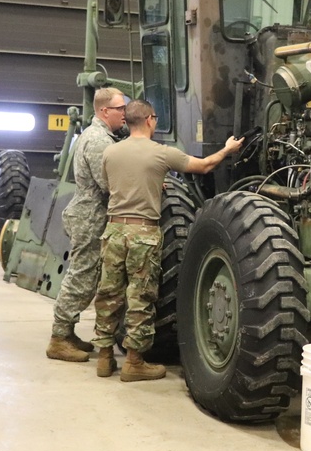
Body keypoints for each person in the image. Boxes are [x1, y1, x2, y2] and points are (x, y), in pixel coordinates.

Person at [93, 99, 244, 381]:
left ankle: (103, 359)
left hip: (113, 231)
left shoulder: (110, 152)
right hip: (143, 234)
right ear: (150, 120)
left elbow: (111, 184)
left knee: (109, 294)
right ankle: (134, 362)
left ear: (127, 121)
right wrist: (228, 148)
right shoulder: (161, 154)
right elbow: (205, 166)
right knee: (140, 297)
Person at [45, 87, 128, 362]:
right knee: (82, 277)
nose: (124, 114)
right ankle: (58, 338)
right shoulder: (98, 141)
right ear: (105, 111)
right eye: (120, 109)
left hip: (91, 215)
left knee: (86, 277)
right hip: (90, 217)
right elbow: (109, 182)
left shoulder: (103, 137)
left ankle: (66, 334)